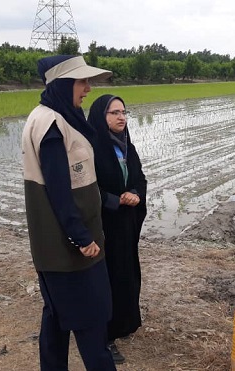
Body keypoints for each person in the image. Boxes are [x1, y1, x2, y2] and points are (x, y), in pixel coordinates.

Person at [21, 55, 117, 371]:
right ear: (63, 84)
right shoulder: (51, 124)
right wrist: (81, 237)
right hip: (69, 248)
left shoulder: (62, 116)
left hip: (64, 244)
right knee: (91, 319)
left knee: (57, 315)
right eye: (82, 81)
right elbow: (59, 191)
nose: (88, 88)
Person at [87, 94, 147, 364]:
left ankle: (123, 322)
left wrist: (135, 192)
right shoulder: (90, 149)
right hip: (102, 224)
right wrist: (114, 200)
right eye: (114, 113)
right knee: (105, 279)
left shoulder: (128, 147)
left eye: (123, 112)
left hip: (125, 224)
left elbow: (140, 178)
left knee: (125, 273)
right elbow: (85, 189)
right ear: (101, 116)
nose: (121, 117)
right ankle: (104, 336)